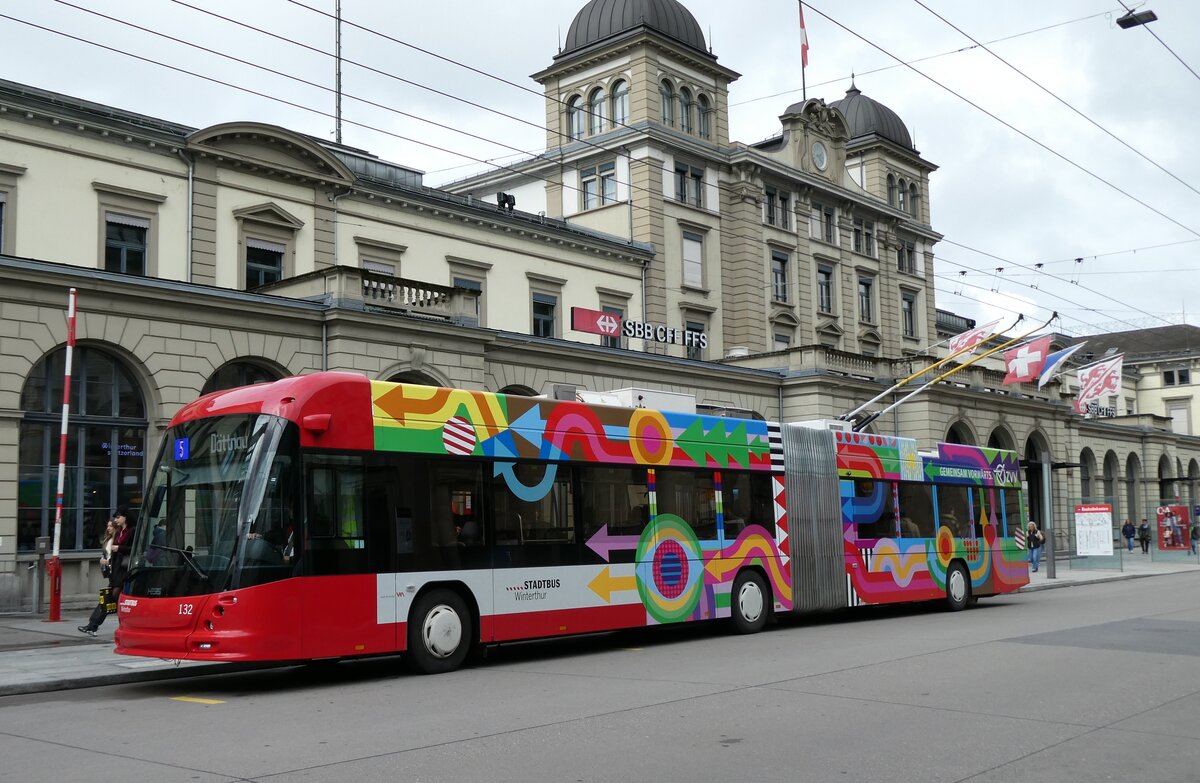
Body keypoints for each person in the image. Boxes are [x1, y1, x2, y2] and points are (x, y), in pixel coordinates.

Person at [78, 508, 130, 636]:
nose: (109, 528)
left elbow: (124, 551)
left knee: (110, 600)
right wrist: (104, 560)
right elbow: (108, 555)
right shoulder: (110, 539)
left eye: (111, 526)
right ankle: (93, 625)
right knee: (108, 600)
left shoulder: (122, 536)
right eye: (108, 526)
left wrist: (116, 552)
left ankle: (94, 625)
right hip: (114, 573)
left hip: (121, 573)